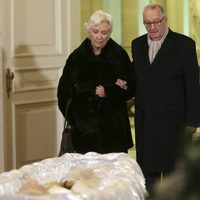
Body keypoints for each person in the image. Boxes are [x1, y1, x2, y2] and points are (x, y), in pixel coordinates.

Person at [129, 3, 200, 194]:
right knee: (147, 175)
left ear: (165, 20)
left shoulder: (185, 45)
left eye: (156, 22)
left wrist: (193, 121)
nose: (152, 27)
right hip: (146, 120)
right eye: (147, 23)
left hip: (174, 123)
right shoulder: (137, 45)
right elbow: (136, 78)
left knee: (173, 177)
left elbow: (193, 85)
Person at [57, 10, 134, 154]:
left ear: (110, 33)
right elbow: (63, 91)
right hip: (83, 131)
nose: (99, 36)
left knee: (113, 174)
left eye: (104, 32)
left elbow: (131, 88)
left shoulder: (119, 55)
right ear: (89, 31)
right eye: (95, 31)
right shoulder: (77, 57)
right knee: (85, 174)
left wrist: (109, 92)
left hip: (114, 129)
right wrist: (75, 119)